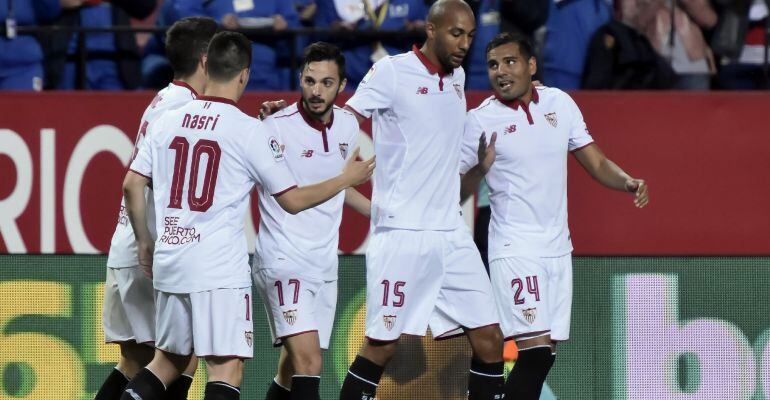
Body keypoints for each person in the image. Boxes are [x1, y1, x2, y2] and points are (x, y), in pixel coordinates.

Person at [120, 31, 373, 400]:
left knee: (167, 362)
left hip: (171, 258)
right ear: (244, 75)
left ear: (207, 67)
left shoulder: (167, 120)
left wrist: (145, 241)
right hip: (218, 267)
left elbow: (131, 185)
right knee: (226, 369)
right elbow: (292, 200)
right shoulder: (248, 130)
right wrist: (345, 178)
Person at [460, 32, 650, 399]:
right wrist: (480, 169)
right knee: (534, 354)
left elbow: (594, 161)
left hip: (557, 248)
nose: (501, 71)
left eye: (510, 62)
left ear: (531, 66)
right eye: (493, 65)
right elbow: (455, 193)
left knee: (544, 356)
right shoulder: (478, 121)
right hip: (514, 248)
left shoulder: (559, 104)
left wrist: (626, 181)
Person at [337, 1, 506, 399]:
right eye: (455, 33)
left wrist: (479, 170)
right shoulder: (391, 73)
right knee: (381, 346)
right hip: (401, 235)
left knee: (491, 339)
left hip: (450, 234)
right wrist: (294, 126)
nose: (464, 43)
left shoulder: (458, 78)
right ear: (431, 29)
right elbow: (345, 120)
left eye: (469, 35)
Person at [95, 17, 218, 400]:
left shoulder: (164, 98)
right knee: (180, 356)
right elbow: (136, 181)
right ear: (204, 60)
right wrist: (147, 241)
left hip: (125, 248)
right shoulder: (184, 112)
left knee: (134, 362)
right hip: (149, 253)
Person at [255, 42, 371, 400]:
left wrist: (378, 213)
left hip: (323, 264)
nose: (316, 91)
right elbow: (292, 199)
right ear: (299, 79)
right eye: (309, 80)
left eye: (326, 83)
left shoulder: (349, 126)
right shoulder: (274, 126)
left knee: (292, 370)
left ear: (342, 86)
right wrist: (345, 180)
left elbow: (334, 188)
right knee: (309, 365)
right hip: (282, 260)